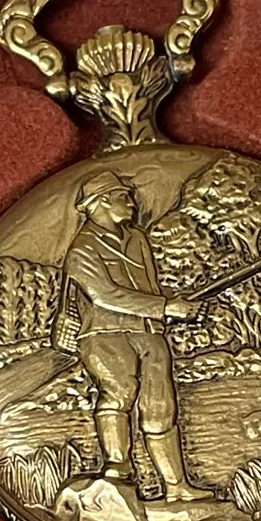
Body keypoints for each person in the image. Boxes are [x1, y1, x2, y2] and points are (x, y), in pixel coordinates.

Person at [61, 170, 212, 503]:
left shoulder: (137, 239)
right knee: (118, 393)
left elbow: (150, 286)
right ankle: (118, 470)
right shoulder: (81, 249)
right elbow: (104, 295)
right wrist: (166, 307)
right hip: (104, 333)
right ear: (102, 201)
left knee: (161, 406)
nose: (132, 202)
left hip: (148, 332)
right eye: (123, 196)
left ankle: (176, 486)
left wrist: (164, 315)